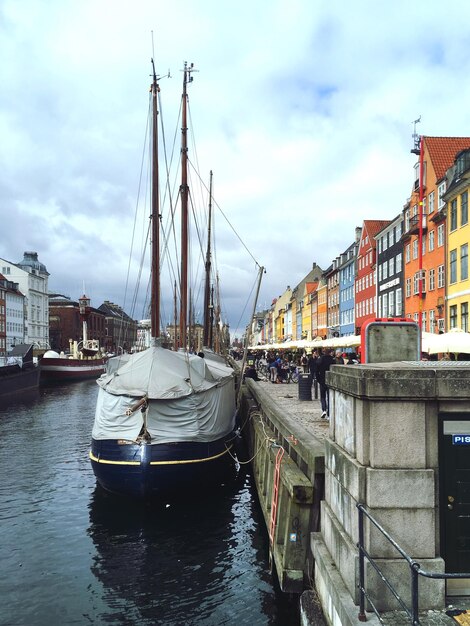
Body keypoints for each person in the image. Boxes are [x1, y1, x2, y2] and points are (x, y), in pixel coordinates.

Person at [316, 348, 335, 418]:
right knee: (329, 397)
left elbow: (316, 371)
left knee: (322, 397)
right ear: (330, 353)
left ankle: (324, 410)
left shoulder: (320, 359)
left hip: (322, 381)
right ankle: (329, 414)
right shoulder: (332, 360)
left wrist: (318, 379)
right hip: (330, 381)